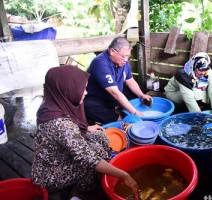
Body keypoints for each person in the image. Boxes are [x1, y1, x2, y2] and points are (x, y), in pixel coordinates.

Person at [31, 65, 138, 199]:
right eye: (82, 89)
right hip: (50, 172)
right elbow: (88, 159)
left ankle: (95, 177)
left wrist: (86, 128)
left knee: (100, 136)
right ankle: (82, 192)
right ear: (67, 90)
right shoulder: (60, 124)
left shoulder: (52, 104)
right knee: (90, 164)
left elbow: (67, 133)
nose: (86, 92)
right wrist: (124, 175)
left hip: (60, 153)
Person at [84, 37, 151, 124]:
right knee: (93, 108)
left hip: (114, 95)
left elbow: (130, 80)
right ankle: (118, 118)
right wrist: (135, 112)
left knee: (138, 98)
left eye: (128, 56)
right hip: (98, 99)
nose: (126, 60)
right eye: (123, 56)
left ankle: (120, 109)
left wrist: (141, 95)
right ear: (112, 51)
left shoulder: (123, 62)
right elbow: (114, 93)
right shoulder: (100, 63)